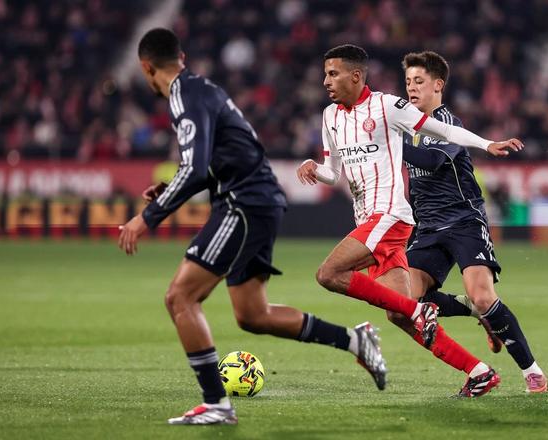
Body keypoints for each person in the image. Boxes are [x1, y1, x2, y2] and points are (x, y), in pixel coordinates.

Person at [118, 29, 389, 426]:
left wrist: (147, 217)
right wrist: (172, 186)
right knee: (252, 314)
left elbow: (196, 168)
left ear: (146, 68)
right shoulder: (200, 90)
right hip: (257, 200)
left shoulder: (183, 95)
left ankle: (216, 403)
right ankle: (355, 340)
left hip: (242, 203)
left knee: (180, 297)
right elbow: (218, 158)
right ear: (182, 57)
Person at [296, 44, 523, 397]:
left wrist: (487, 143)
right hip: (366, 220)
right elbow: (332, 171)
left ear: (355, 76)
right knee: (398, 314)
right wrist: (314, 168)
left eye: (333, 73)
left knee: (328, 273)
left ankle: (418, 312)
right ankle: (478, 372)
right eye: (326, 74)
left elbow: (443, 131)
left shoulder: (387, 106)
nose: (326, 81)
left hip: (389, 215)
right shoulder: (330, 117)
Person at [400, 50, 548, 393]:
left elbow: (433, 160)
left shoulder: (449, 124)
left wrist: (389, 145)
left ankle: (532, 372)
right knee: (406, 302)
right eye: (408, 82)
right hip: (427, 227)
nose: (412, 88)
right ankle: (476, 313)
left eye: (419, 81)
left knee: (483, 296)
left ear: (438, 85)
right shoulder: (403, 125)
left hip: (464, 220)